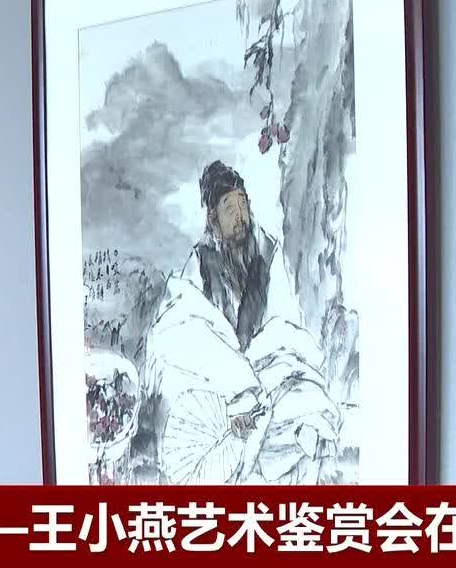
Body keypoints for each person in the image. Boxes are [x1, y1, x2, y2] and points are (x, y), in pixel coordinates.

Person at [142, 161, 340, 484]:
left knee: (298, 398)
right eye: (229, 208)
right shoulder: (199, 262)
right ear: (213, 219)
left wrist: (259, 368)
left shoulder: (266, 254)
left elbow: (283, 326)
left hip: (266, 371)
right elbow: (188, 328)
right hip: (218, 381)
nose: (240, 217)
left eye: (243, 205)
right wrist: (233, 384)